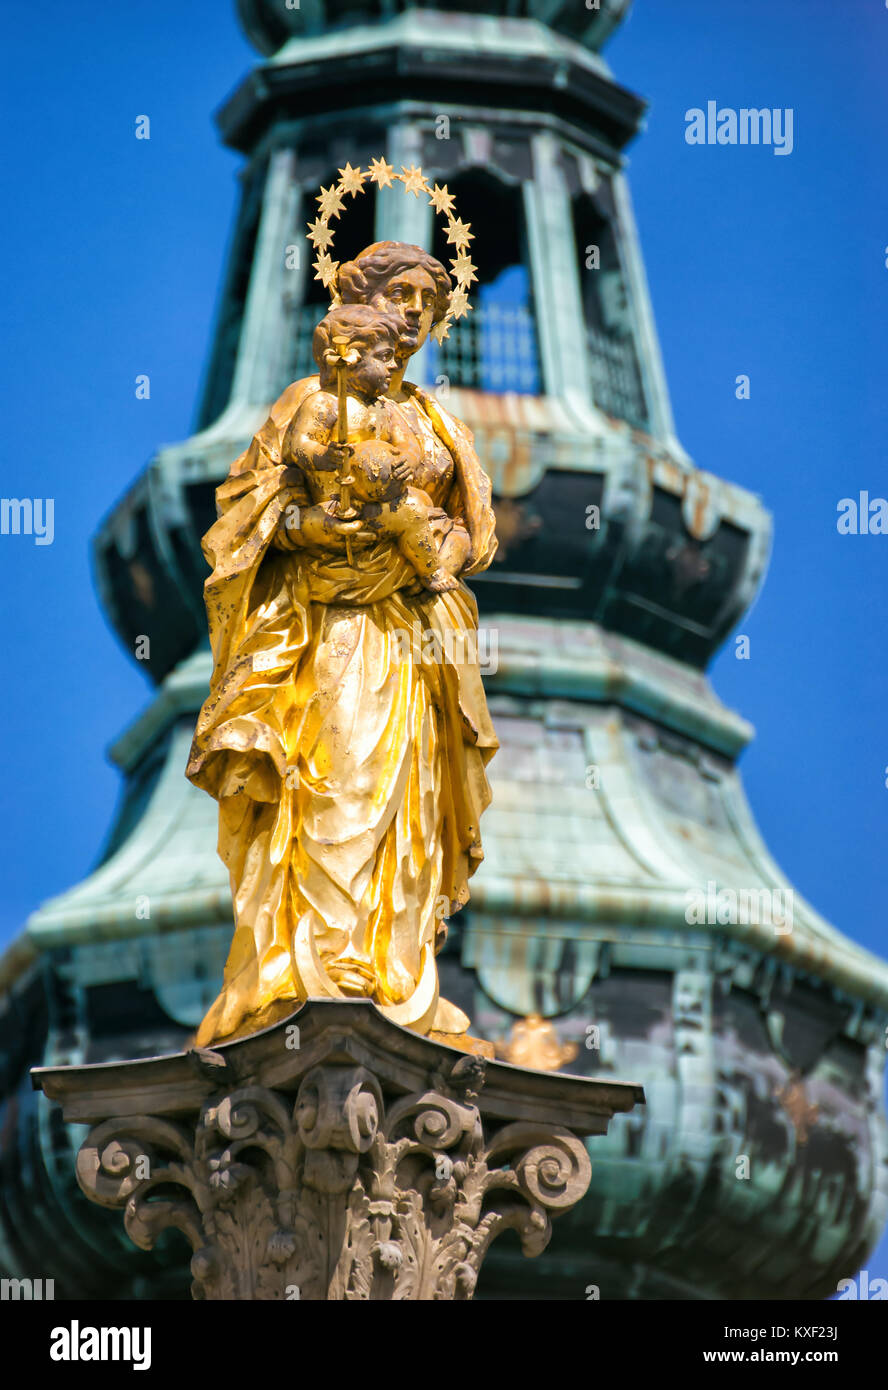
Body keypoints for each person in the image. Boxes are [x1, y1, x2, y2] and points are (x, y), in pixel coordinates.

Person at [187, 241, 498, 1051]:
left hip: (416, 638)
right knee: (338, 788)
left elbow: (472, 527)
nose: (412, 318)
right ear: (354, 311)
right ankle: (320, 964)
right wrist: (316, 525)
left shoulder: (436, 423)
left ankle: (394, 973)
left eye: (426, 309)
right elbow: (249, 514)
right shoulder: (311, 402)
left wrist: (445, 556)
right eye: (399, 297)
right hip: (333, 630)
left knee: (410, 810)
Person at [283, 303, 458, 593]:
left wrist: (409, 458)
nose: (394, 365)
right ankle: (431, 571)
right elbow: (296, 445)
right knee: (410, 513)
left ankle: (429, 569)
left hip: (379, 504)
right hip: (338, 507)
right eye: (385, 357)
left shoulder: (383, 408)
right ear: (350, 361)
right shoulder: (324, 403)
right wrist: (324, 456)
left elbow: (407, 442)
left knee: (416, 507)